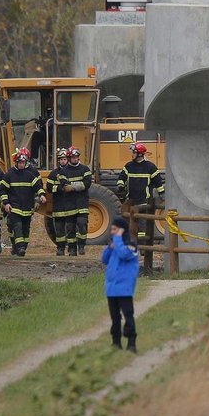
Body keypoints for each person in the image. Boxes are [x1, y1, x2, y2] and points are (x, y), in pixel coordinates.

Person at [102, 217, 139, 351]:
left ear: (122, 230)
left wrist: (117, 239)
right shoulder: (115, 246)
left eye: (115, 229)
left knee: (128, 314)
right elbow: (104, 259)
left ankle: (131, 342)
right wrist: (110, 247)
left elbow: (124, 254)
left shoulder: (131, 246)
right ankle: (116, 342)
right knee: (115, 317)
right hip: (112, 289)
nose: (112, 232)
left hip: (124, 288)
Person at [0, 149, 45, 257]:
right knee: (17, 226)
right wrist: (6, 203)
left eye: (23, 163)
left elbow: (38, 186)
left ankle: (23, 247)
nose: (21, 165)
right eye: (20, 163)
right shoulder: (9, 175)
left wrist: (41, 195)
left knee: (25, 229)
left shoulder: (30, 175)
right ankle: (19, 247)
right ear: (16, 162)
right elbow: (2, 190)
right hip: (14, 207)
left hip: (27, 207)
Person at [49, 146, 93, 256]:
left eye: (76, 157)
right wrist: (72, 186)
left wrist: (72, 187)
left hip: (82, 202)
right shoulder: (63, 172)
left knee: (82, 224)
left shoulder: (85, 170)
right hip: (70, 204)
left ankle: (81, 246)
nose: (75, 159)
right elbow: (64, 185)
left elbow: (87, 184)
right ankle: (72, 249)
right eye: (72, 157)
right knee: (70, 228)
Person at [116, 142, 165, 241]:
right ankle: (133, 247)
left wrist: (162, 195)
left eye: (133, 152)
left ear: (140, 154)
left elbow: (158, 183)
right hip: (131, 202)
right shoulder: (128, 166)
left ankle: (142, 247)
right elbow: (122, 178)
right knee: (131, 226)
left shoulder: (150, 167)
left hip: (144, 202)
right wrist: (120, 186)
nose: (132, 154)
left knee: (142, 227)